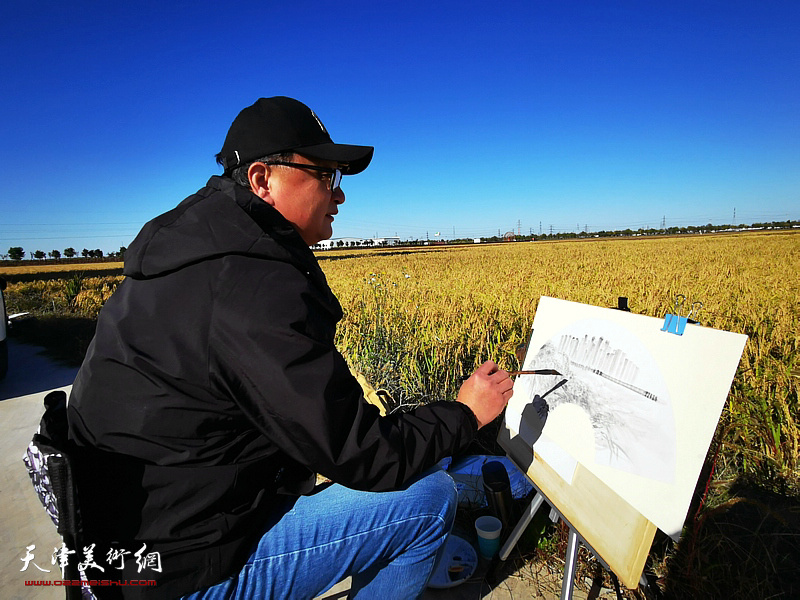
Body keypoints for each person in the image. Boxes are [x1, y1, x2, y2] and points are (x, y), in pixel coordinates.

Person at [67, 96, 513, 599]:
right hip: (181, 574)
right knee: (429, 498)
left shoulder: (188, 256)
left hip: (128, 547)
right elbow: (365, 454)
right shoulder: (249, 285)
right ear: (263, 180)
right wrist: (463, 414)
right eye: (326, 175)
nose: (339, 195)